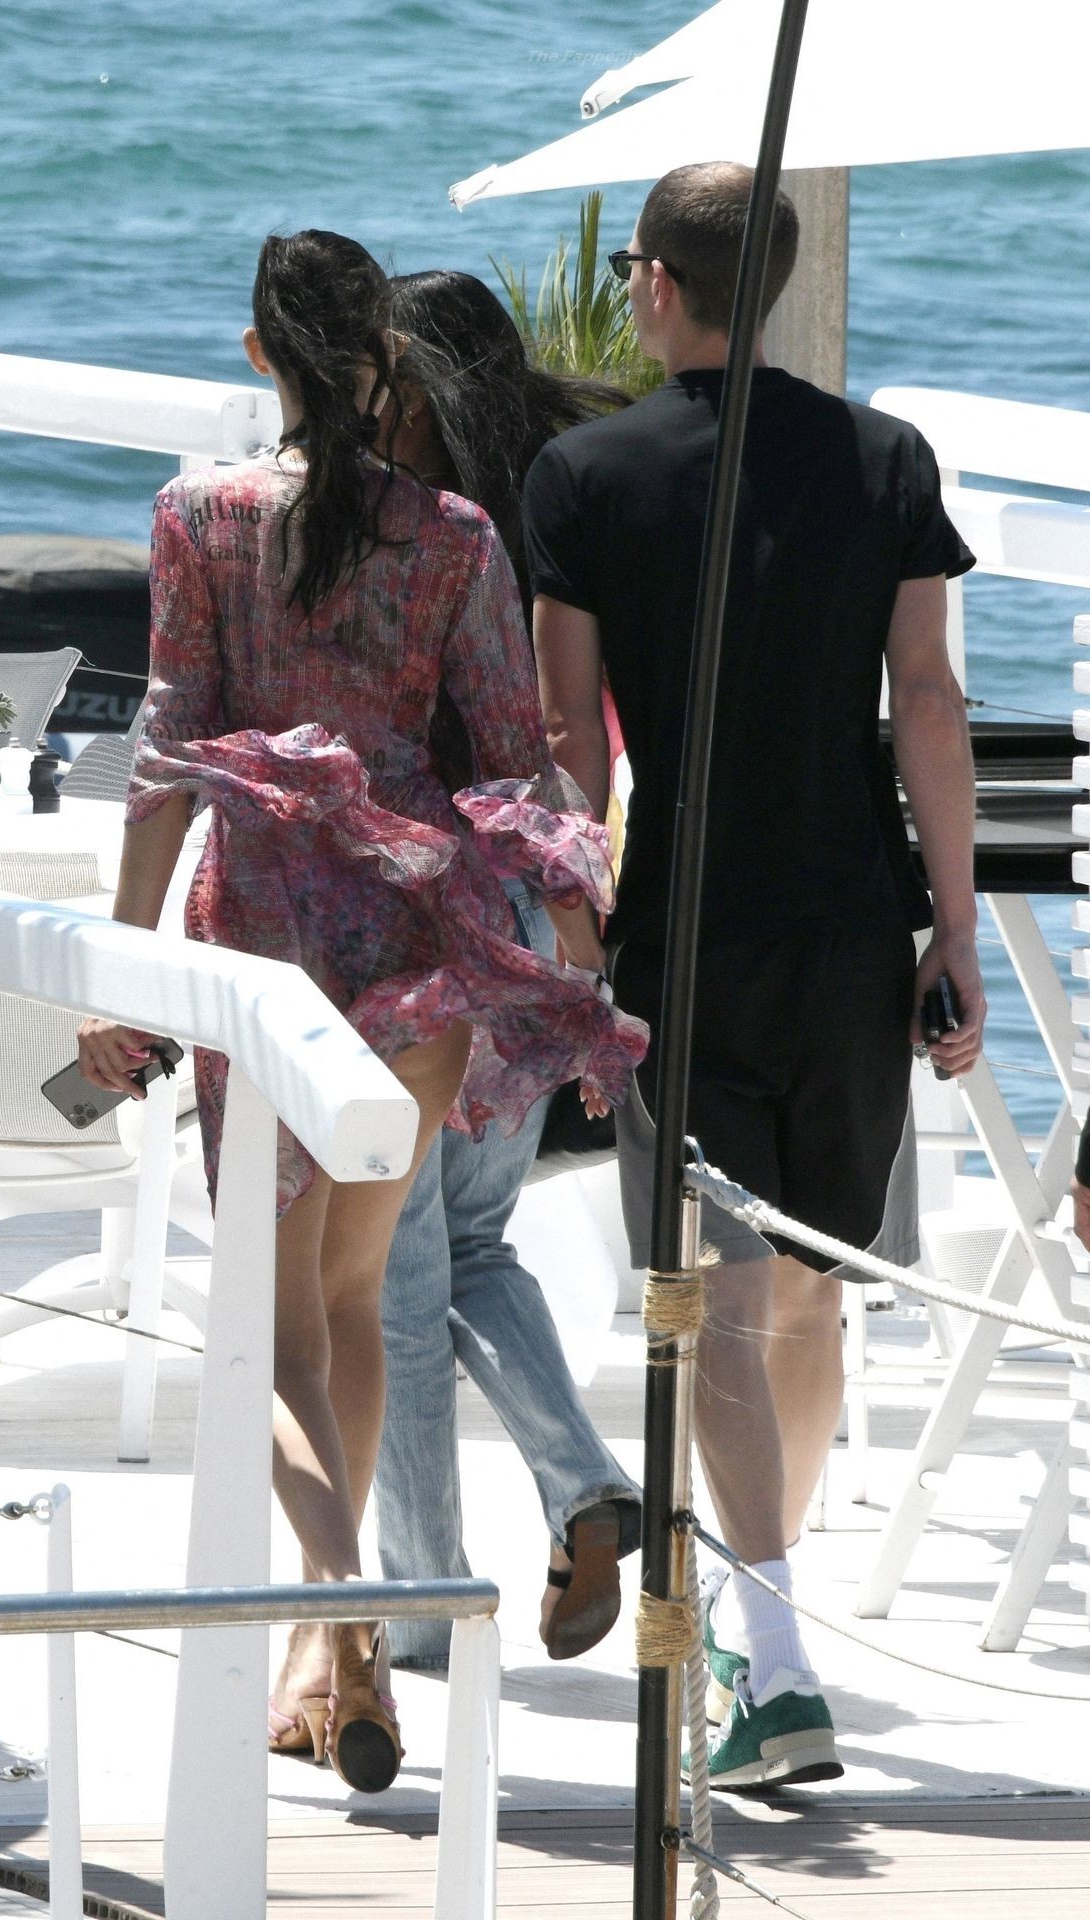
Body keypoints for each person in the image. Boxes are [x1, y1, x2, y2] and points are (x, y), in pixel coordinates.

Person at [76, 230, 647, 1794]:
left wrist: (120, 966)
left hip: (259, 947)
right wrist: (578, 959)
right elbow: (517, 764)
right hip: (416, 950)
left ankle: (343, 1615)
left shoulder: (200, 518)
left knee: (272, 1330)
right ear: (386, 361)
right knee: (351, 1302)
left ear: (261, 354)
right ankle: (349, 1627)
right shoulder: (455, 535)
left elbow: (167, 747)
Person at [524, 164, 985, 1789]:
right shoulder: (884, 457)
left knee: (716, 1297)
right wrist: (953, 929)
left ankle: (771, 1657)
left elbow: (570, 741)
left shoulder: (584, 473)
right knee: (806, 1287)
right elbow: (927, 700)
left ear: (654, 282)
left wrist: (579, 952)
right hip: (854, 928)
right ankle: (768, 1626)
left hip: (684, 939)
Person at [374, 271, 642, 1671]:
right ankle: (582, 1483)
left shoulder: (419, 536)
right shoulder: (567, 500)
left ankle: (418, 1611)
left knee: (393, 1280)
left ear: (413, 389)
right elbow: (575, 741)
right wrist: (579, 934)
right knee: (470, 1248)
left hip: (418, 933)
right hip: (533, 912)